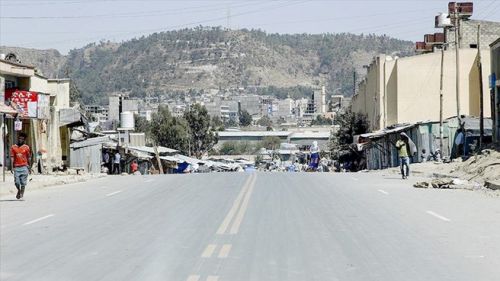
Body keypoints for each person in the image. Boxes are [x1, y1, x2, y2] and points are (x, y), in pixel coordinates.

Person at [10, 132, 32, 199]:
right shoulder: (13, 147)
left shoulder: (26, 147)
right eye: (19, 138)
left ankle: (22, 192)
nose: (20, 140)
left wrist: (30, 167)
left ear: (24, 140)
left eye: (22, 139)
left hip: (24, 167)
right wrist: (11, 167)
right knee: (16, 182)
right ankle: (19, 191)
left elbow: (29, 157)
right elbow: (12, 157)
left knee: (23, 182)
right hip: (16, 167)